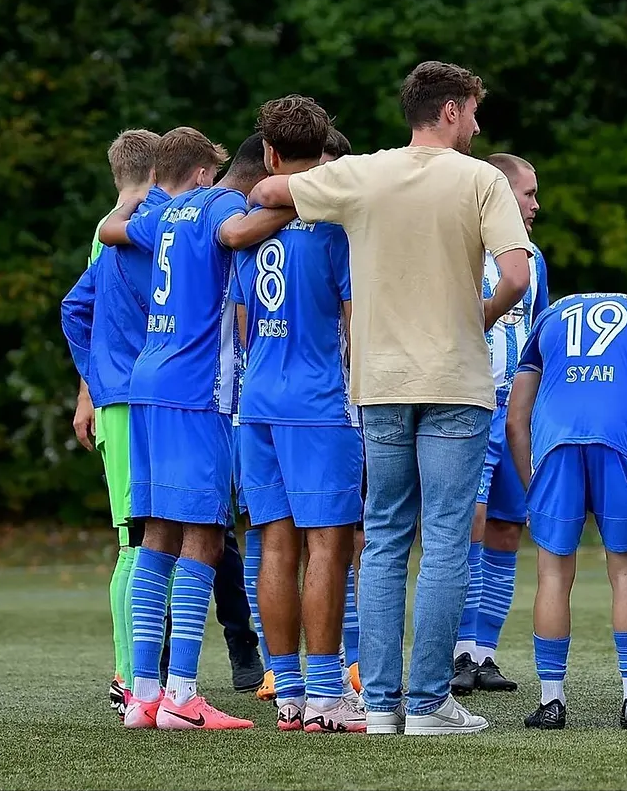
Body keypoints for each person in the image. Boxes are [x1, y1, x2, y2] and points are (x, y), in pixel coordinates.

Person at [249, 60, 532, 736]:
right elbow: (517, 276)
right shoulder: (482, 179)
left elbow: (265, 187)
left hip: (378, 384)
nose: (478, 122)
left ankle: (379, 704)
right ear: (453, 111)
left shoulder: (364, 173)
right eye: (474, 110)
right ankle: (430, 702)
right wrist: (483, 315)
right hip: (455, 382)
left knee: (380, 542)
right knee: (442, 541)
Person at [99, 126, 292, 731]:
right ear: (211, 174)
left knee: (155, 535)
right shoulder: (222, 205)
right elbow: (239, 232)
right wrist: (309, 201)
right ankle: (183, 696)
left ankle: (144, 697)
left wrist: (136, 193)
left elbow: (108, 230)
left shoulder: (162, 213)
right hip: (196, 391)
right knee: (205, 536)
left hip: (145, 382)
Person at [230, 95, 366, 733]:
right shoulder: (337, 227)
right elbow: (352, 318)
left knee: (274, 544)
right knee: (328, 547)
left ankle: (285, 689)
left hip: (256, 397)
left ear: (269, 156)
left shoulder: (253, 226)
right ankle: (325, 694)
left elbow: (241, 320)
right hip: (318, 401)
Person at [505, 291, 627, 730]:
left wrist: (531, 488)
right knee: (626, 574)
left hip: (555, 439)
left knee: (553, 575)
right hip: (619, 435)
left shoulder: (548, 317)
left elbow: (515, 416)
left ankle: (551, 702)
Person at [61, 129, 163, 712]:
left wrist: (88, 388)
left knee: (143, 537)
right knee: (136, 539)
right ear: (158, 173)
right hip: (134, 397)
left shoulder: (111, 226)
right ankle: (129, 674)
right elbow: (80, 309)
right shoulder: (134, 230)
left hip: (122, 395)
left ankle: (141, 671)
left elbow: (90, 314)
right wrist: (98, 386)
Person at [451, 153, 551, 696]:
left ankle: (484, 653)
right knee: (469, 523)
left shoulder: (533, 259)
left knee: (508, 527)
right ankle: (457, 649)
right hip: (468, 404)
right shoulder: (461, 246)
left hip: (516, 414)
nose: (536, 206)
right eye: (528, 194)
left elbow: (538, 337)